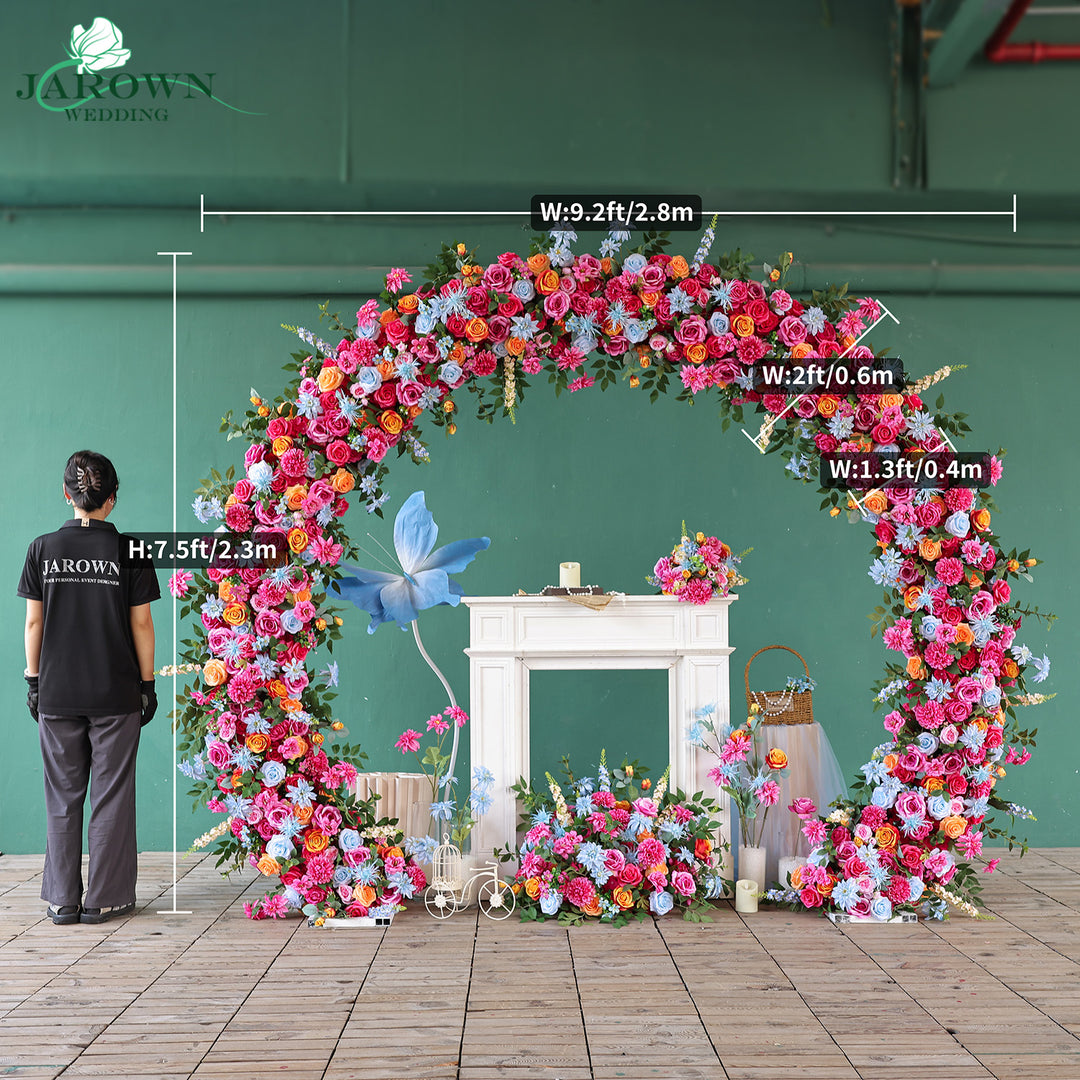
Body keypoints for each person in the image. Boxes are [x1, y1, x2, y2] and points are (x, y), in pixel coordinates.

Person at [18, 451, 160, 925]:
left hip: (57, 691)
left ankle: (62, 900)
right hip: (116, 692)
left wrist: (33, 680)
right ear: (112, 499)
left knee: (62, 796)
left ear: (67, 494)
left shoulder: (41, 549)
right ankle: (104, 899)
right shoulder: (131, 551)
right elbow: (142, 625)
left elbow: (34, 620)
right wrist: (148, 684)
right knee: (111, 794)